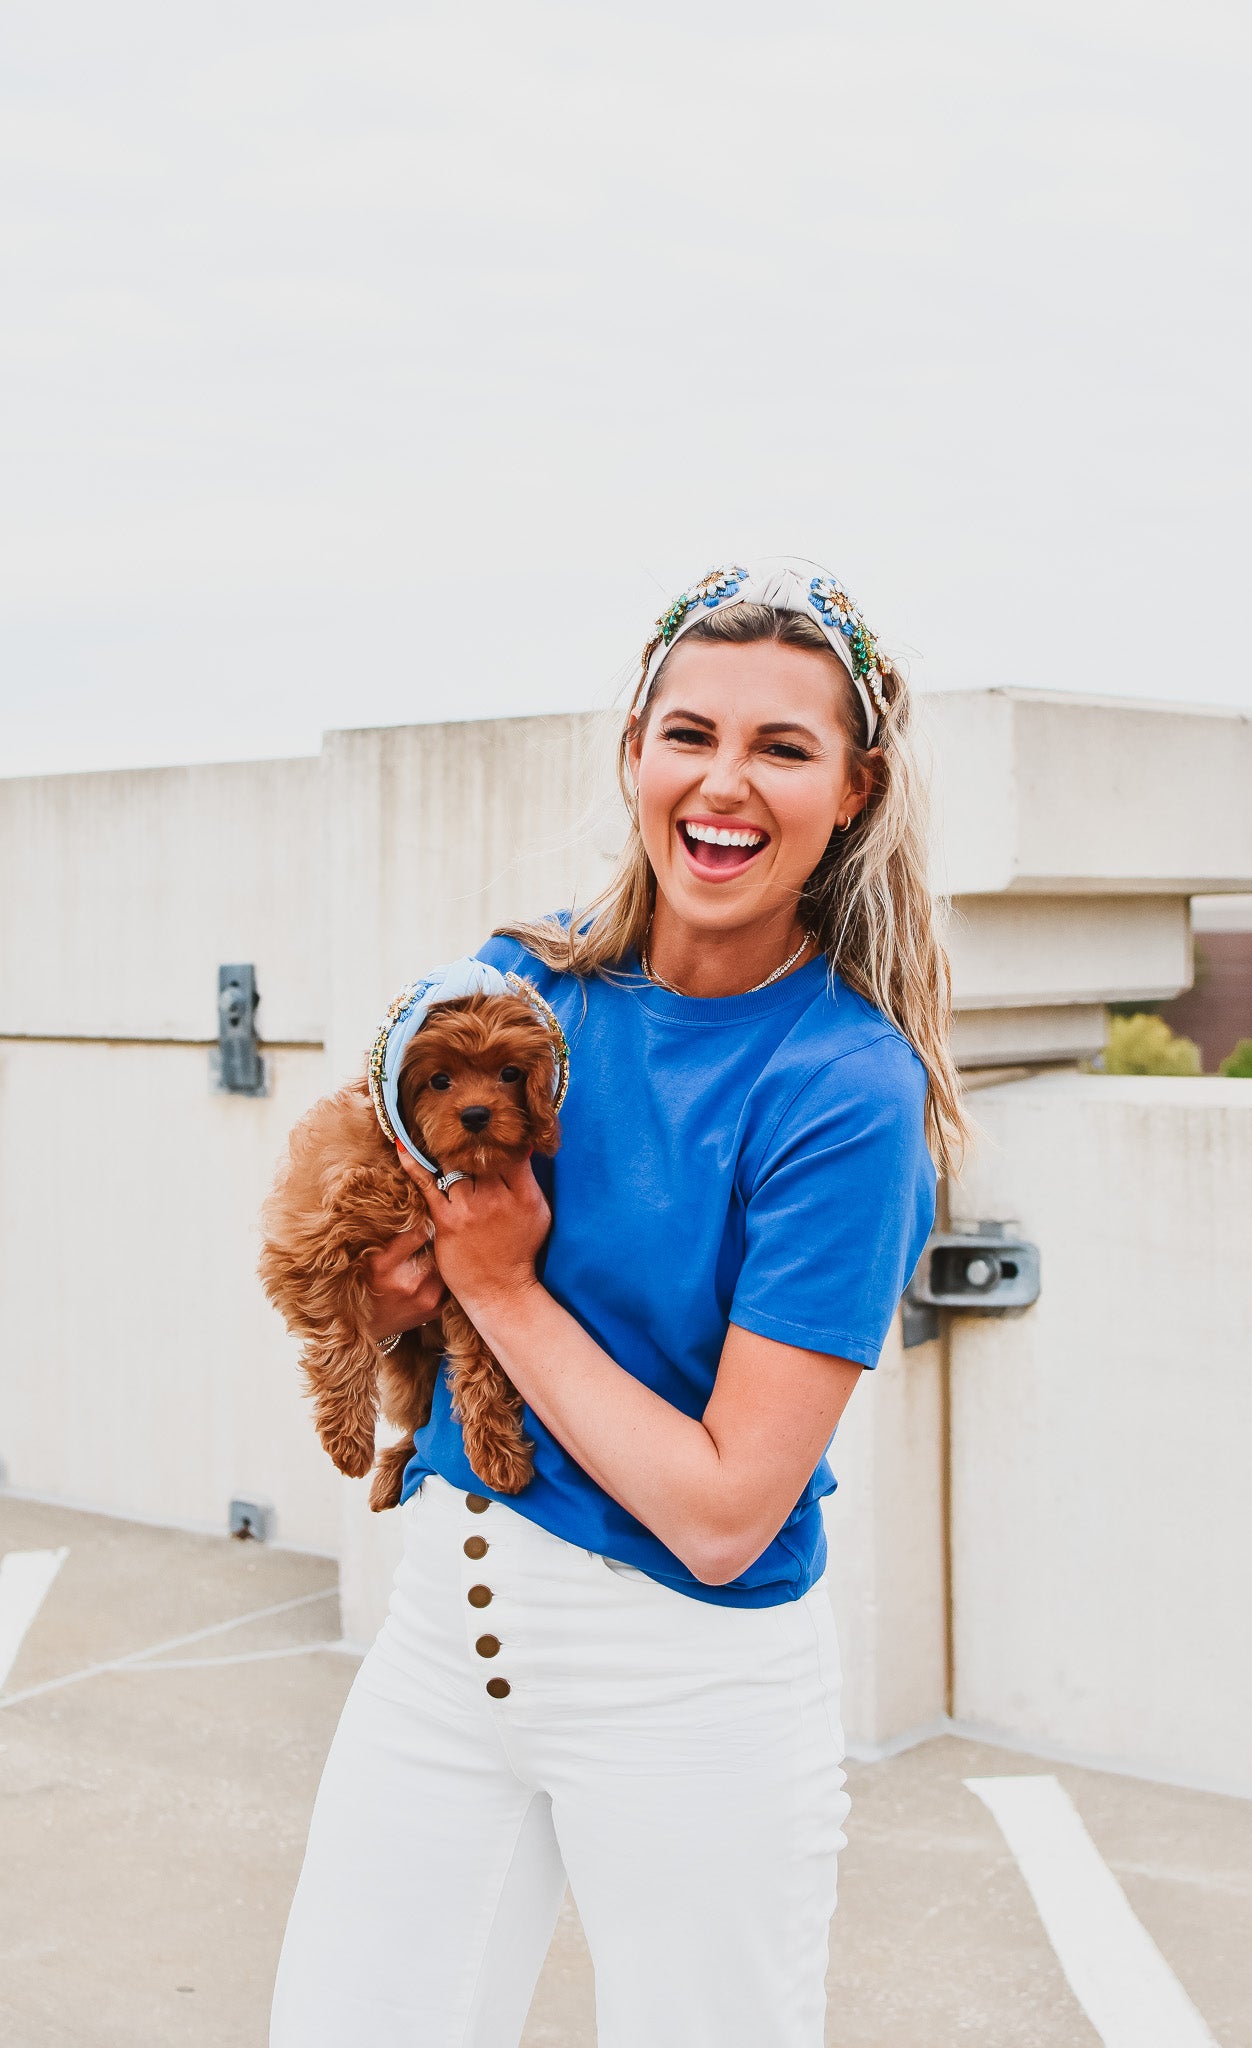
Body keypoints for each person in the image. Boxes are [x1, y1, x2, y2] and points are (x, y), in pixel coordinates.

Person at [269, 557, 967, 2048]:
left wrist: (498, 1287)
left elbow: (723, 1512)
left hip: (684, 1686)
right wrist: (396, 1295)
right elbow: (380, 1261)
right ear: (634, 752)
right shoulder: (514, 990)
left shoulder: (843, 1091)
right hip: (440, 1641)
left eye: (782, 747)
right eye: (690, 734)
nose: (725, 784)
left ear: (853, 788)